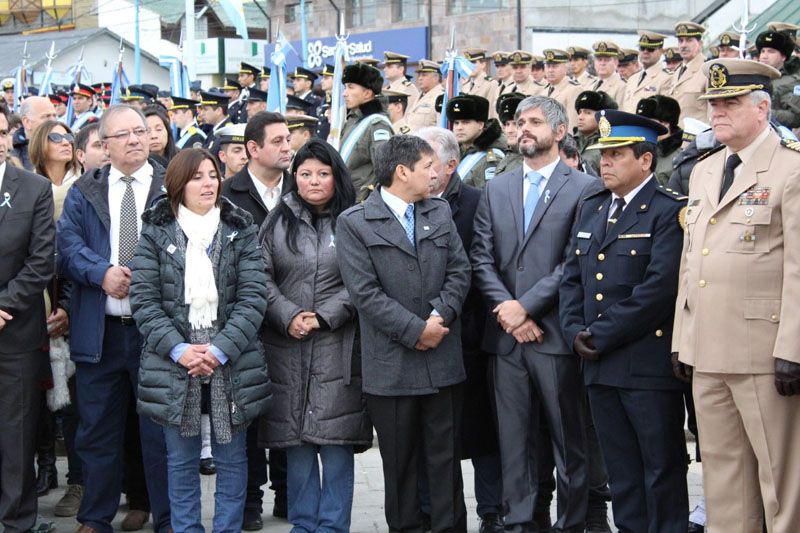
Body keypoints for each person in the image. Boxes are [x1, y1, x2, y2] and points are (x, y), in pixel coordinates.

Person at [672, 58, 800, 533]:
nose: (717, 113)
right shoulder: (704, 171)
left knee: (781, 484)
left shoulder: (790, 169)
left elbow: (798, 269)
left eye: (730, 103)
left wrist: (793, 349)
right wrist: (683, 340)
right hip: (708, 351)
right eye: (713, 104)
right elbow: (692, 262)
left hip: (765, 353)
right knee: (724, 481)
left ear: (763, 108)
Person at [471, 95, 602, 533]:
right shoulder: (497, 187)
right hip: (507, 341)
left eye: (533, 122)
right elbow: (481, 259)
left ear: (559, 132)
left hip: (556, 338)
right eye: (518, 122)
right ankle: (522, 522)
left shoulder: (585, 188)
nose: (522, 128)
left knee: (569, 441)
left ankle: (571, 523)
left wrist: (525, 306)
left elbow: (575, 260)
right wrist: (509, 313)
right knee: (515, 442)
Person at [559, 109, 689, 533]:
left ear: (646, 160)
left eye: (616, 154)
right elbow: (571, 277)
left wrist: (599, 333)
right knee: (622, 474)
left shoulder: (668, 211)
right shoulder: (593, 206)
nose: (604, 163)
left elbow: (657, 290)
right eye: (602, 155)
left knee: (661, 469)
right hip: (598, 363)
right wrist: (572, 329)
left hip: (645, 365)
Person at [129, 147, 271, 533]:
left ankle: (227, 528)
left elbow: (253, 297)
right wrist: (180, 350)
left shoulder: (239, 228)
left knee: (231, 456)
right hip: (176, 361)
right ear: (178, 184)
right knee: (180, 459)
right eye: (197, 177)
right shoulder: (156, 231)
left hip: (231, 359)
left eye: (212, 174)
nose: (208, 183)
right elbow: (144, 300)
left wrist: (220, 349)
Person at [336, 135, 471, 532]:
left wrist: (438, 318)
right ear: (402, 171)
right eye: (428, 166)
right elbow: (365, 294)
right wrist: (415, 331)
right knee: (400, 468)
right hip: (391, 369)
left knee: (445, 465)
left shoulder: (439, 212)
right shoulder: (355, 222)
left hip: (441, 360)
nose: (436, 173)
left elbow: (460, 272)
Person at [57, 104, 171, 533]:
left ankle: (170, 518)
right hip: (99, 333)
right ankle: (94, 519)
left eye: (140, 131)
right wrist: (102, 272)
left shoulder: (170, 184)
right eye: (123, 135)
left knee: (159, 435)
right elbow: (67, 247)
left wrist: (144, 272)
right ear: (103, 145)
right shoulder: (84, 190)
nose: (136, 139)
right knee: (97, 433)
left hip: (156, 335)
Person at [258, 138, 371, 532]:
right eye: (305, 174)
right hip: (286, 345)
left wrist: (323, 316)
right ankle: (303, 525)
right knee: (298, 445)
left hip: (337, 346)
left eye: (322, 173)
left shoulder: (356, 219)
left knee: (335, 445)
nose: (314, 181)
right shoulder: (277, 219)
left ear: (336, 176)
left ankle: (333, 527)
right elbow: (260, 277)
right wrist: (288, 315)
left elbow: (364, 281)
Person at [416, 126, 504, 533]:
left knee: (484, 434)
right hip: (418, 337)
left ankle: (492, 512)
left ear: (451, 165)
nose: (419, 168)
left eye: (428, 160)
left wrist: (461, 323)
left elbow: (484, 265)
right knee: (429, 440)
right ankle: (432, 512)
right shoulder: (404, 201)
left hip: (470, 336)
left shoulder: (477, 203)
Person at [220, 111, 291, 527]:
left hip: (290, 319)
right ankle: (249, 502)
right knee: (244, 414)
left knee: (285, 410)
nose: (288, 148)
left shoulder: (300, 190)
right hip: (243, 321)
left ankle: (287, 494)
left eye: (288, 141)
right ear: (252, 148)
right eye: (278, 141)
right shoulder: (227, 193)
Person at [0, 107, 56, 533]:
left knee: (16, 436)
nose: (0, 141)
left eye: (3, 132)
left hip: (15, 330)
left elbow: (41, 261)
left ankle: (16, 522)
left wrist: (4, 304)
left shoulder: (33, 188)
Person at [340, 63, 393, 199]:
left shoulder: (377, 124)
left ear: (368, 93)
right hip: (345, 199)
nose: (344, 93)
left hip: (362, 203)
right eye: (345, 87)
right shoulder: (353, 119)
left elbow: (385, 171)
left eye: (351, 87)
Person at [446, 94, 506, 187]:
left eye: (466, 122)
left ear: (481, 125)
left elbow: (486, 195)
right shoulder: (457, 150)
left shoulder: (491, 157)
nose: (459, 128)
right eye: (456, 123)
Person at [756, 29, 800, 129]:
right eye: (763, 51)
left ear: (783, 57)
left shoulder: (793, 81)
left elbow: (796, 117)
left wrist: (764, 112)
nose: (765, 56)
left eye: (771, 52)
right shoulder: (755, 77)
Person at [635, 95, 684, 185]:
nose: (642, 127)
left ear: (665, 123)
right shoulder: (637, 151)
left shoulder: (680, 158)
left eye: (647, 122)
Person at [668, 21, 709, 127]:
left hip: (696, 139)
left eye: (689, 40)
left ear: (700, 44)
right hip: (675, 138)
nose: (683, 45)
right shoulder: (677, 72)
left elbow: (713, 111)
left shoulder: (707, 70)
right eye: (680, 41)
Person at [621, 31, 673, 113]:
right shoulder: (633, 78)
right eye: (642, 48)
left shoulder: (666, 79)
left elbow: (663, 113)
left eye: (650, 49)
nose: (645, 52)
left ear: (661, 51)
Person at [574, 90, 618, 176]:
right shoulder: (569, 142)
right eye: (579, 112)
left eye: (588, 113)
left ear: (602, 117)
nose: (580, 117)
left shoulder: (608, 144)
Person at [12, 95, 58, 170]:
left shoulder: (66, 147)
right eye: (46, 116)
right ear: (27, 122)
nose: (53, 121)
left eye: (54, 116)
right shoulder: (11, 157)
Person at [542, 49, 583, 128]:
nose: (550, 70)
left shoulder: (574, 90)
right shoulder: (544, 91)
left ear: (565, 68)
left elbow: (572, 124)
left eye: (555, 66)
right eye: (548, 66)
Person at [404, 60, 444, 133]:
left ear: (436, 77)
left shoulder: (441, 97)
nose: (420, 78)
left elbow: (441, 129)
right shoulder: (419, 96)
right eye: (419, 75)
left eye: (424, 75)